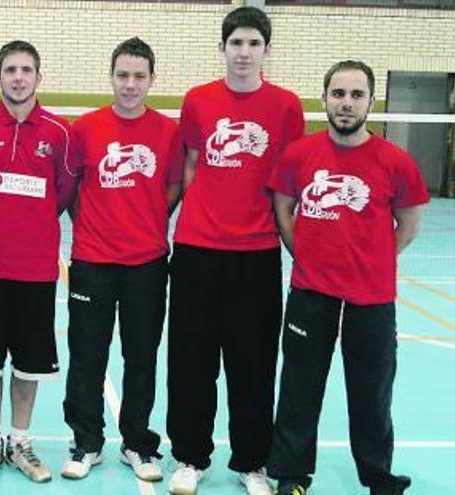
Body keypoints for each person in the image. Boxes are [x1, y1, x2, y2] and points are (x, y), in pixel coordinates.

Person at [266, 60, 426, 495]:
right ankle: (292, 476)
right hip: (310, 294)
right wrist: (308, 254)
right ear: (325, 99)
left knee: (371, 394)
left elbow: (409, 223)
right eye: (338, 94)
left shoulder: (395, 162)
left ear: (372, 102)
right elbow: (283, 209)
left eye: (356, 95)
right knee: (300, 388)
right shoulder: (299, 155)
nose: (346, 103)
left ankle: (378, 477)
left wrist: (373, 261)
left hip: (371, 300)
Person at [166, 7, 305, 495]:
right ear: (222, 48)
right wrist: (191, 220)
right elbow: (190, 164)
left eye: (253, 44)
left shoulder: (287, 106)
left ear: (266, 50)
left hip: (257, 253)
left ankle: (251, 460)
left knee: (253, 362)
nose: (243, 53)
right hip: (197, 250)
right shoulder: (199, 100)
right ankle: (189, 456)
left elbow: (288, 184)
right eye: (236, 43)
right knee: (191, 360)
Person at [0, 39, 77, 484]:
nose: (19, 77)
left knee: (29, 363)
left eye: (27, 70)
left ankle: (20, 441)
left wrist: (32, 226)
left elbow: (62, 194)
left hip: (36, 268)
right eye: (10, 70)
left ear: (38, 78)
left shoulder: (60, 133)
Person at [60, 37, 183, 482]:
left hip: (147, 264)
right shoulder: (85, 128)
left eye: (139, 76)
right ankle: (86, 441)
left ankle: (137, 443)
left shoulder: (169, 132)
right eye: (122, 75)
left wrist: (148, 220)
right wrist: (96, 224)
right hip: (92, 262)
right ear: (111, 77)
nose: (130, 85)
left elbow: (173, 188)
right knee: (87, 357)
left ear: (152, 80)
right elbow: (72, 191)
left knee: (142, 357)